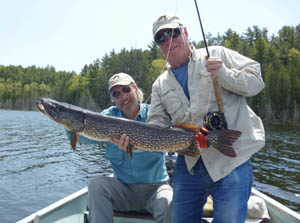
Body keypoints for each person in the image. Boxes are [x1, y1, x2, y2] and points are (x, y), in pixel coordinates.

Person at [117, 14, 265, 222]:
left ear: (185, 33)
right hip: (190, 163)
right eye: (161, 38)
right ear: (158, 45)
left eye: (173, 32)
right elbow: (156, 126)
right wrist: (133, 142)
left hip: (231, 160)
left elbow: (256, 81)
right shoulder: (160, 84)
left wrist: (224, 73)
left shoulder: (216, 53)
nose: (169, 40)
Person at [69, 73, 173, 223]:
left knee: (168, 202)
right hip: (123, 191)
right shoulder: (108, 117)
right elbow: (84, 138)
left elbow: (177, 126)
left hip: (156, 190)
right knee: (97, 185)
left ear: (135, 88)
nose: (123, 97)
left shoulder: (155, 113)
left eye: (126, 89)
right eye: (116, 94)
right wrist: (69, 124)